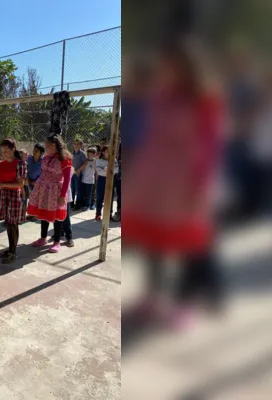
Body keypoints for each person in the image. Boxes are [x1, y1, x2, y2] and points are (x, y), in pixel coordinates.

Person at [122, 38, 225, 330]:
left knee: (190, 242)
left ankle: (185, 302)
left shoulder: (205, 99)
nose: (164, 70)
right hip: (153, 174)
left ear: (186, 67)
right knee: (152, 238)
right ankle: (152, 295)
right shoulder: (158, 95)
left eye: (170, 65)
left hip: (186, 176)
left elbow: (211, 144)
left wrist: (201, 182)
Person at [28, 134, 73, 253]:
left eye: (47, 145)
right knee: (44, 213)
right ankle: (43, 238)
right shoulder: (47, 156)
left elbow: (67, 179)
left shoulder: (65, 158)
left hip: (56, 191)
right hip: (43, 189)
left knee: (57, 216)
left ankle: (56, 242)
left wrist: (63, 195)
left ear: (53, 145)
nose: (45, 147)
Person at [0, 138, 27, 263]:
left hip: (13, 196)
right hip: (3, 196)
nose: (4, 153)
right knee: (8, 223)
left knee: (13, 224)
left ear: (13, 150)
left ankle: (13, 251)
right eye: (2, 151)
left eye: (6, 150)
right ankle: (11, 249)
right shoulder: (1, 164)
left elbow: (20, 184)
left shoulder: (19, 164)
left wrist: (1, 185)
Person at [26, 143, 45, 221]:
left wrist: (36, 182)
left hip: (39, 184)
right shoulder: (29, 159)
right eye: (34, 150)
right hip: (29, 182)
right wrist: (28, 180)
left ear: (41, 153)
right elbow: (25, 169)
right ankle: (31, 214)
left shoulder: (43, 161)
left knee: (38, 200)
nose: (34, 152)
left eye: (36, 151)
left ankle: (36, 215)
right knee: (31, 199)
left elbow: (45, 174)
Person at [94, 146, 110, 219]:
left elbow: (116, 170)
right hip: (102, 179)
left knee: (109, 197)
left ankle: (109, 215)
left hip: (110, 179)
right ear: (103, 152)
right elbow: (99, 171)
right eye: (107, 151)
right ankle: (98, 214)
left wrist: (105, 169)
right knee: (99, 197)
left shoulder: (113, 160)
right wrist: (107, 169)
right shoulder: (99, 160)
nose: (109, 153)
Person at [70, 139, 87, 208]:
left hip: (78, 174)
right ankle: (71, 203)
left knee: (78, 190)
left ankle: (78, 204)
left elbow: (86, 162)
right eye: (75, 144)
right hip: (72, 174)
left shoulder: (82, 153)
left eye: (78, 144)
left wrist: (79, 170)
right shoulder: (72, 153)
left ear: (80, 145)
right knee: (72, 189)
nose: (76, 145)